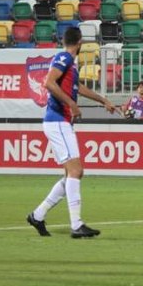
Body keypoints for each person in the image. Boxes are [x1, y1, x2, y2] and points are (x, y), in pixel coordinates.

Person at [27, 27, 117, 238]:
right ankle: (76, 225)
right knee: (76, 171)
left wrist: (103, 100)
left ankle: (37, 216)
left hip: (59, 121)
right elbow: (48, 83)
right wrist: (71, 104)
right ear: (80, 42)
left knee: (71, 173)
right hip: (57, 120)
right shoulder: (64, 57)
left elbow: (78, 87)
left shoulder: (68, 63)